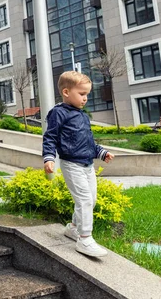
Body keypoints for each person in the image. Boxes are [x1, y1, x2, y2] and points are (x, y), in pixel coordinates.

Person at [42, 71, 115, 258]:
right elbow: (50, 137)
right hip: (71, 164)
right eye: (82, 94)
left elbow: (87, 140)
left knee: (91, 198)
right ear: (66, 92)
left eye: (87, 94)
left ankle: (73, 228)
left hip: (87, 164)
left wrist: (101, 152)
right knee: (84, 200)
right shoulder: (58, 113)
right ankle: (85, 239)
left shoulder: (82, 115)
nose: (86, 98)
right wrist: (49, 158)